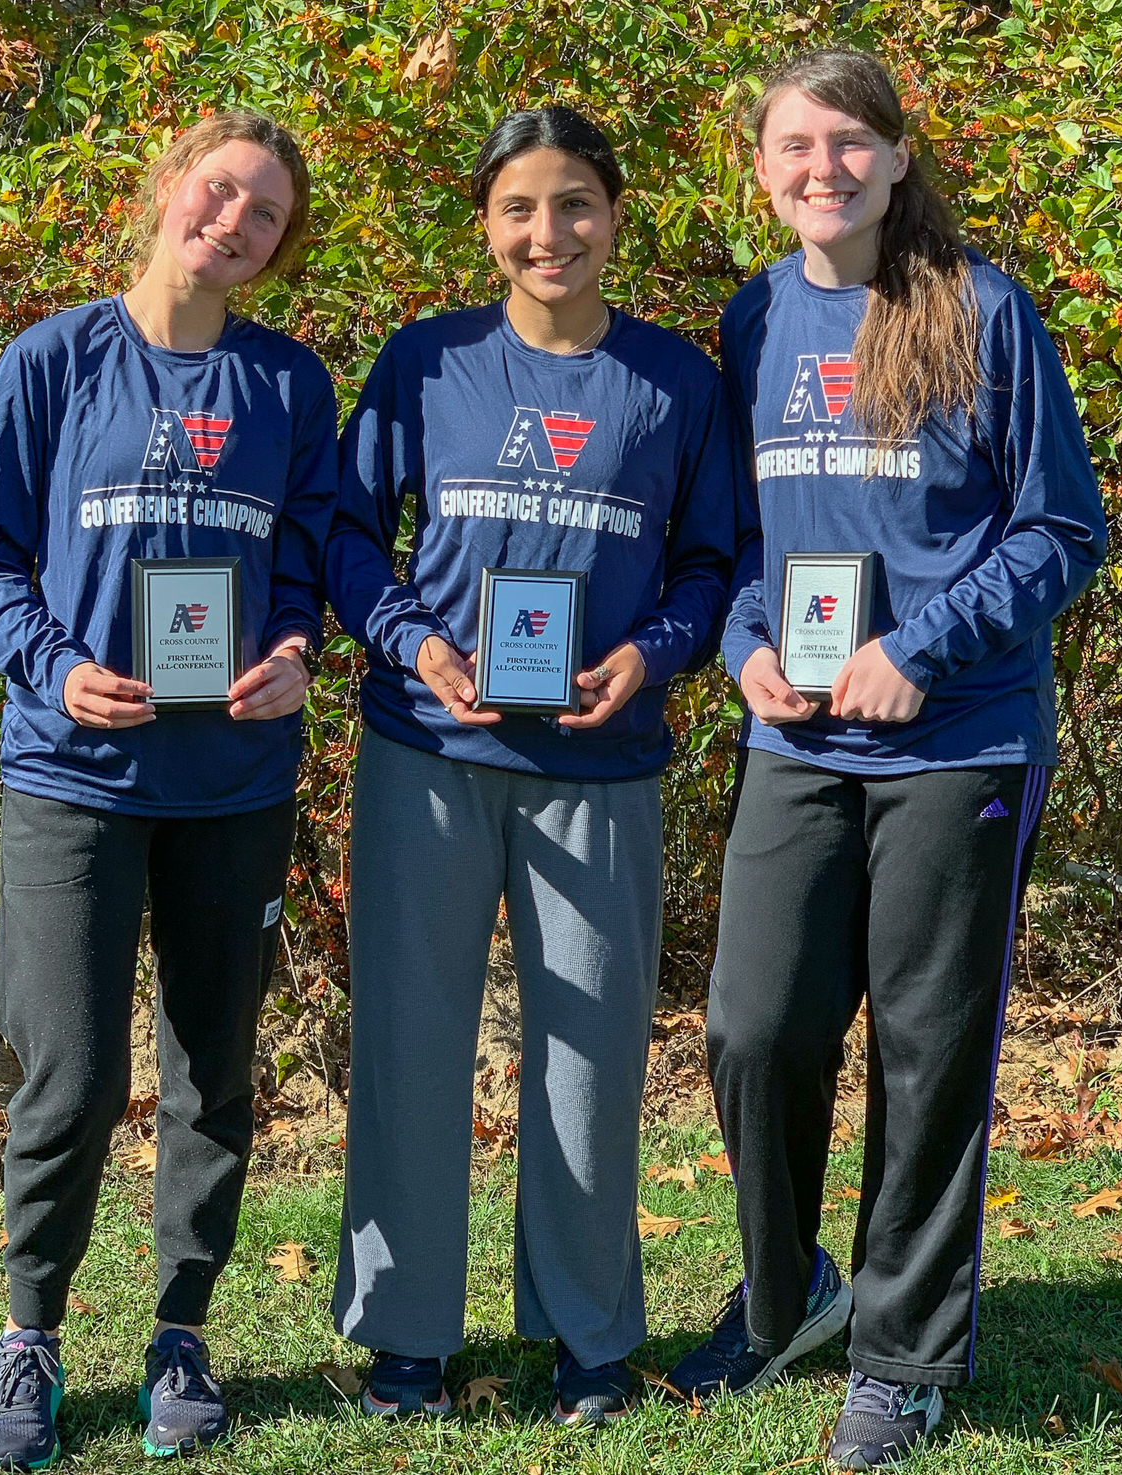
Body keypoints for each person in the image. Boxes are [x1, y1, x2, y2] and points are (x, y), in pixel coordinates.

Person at [664, 49, 1107, 1471]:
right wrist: (742, 647)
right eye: (795, 146)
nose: (824, 168)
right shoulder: (753, 316)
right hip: (795, 735)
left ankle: (903, 1356)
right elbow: (739, 547)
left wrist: (921, 649)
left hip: (959, 735)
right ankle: (789, 1293)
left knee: (926, 1048)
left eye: (851, 143)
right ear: (761, 168)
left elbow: (1060, 529)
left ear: (899, 159)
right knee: (754, 1026)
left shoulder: (981, 310)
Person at [324, 105, 736, 1426]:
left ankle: (590, 1336)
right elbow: (342, 532)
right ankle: (405, 1339)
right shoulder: (428, 364)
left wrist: (655, 654)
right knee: (411, 1044)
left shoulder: (679, 382)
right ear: (487, 225)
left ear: (616, 218)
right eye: (519, 208)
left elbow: (712, 562)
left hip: (600, 762)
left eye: (574, 205)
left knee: (591, 1057)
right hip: (426, 753)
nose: (547, 232)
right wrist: (409, 642)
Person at [0, 111, 337, 1467]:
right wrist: (52, 670)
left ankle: (182, 1330)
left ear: (278, 251)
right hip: (76, 774)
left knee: (208, 1067)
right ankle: (31, 1336)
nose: (232, 222)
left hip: (234, 779)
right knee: (65, 1068)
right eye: (219, 191)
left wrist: (294, 651)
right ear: (168, 188)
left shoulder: (289, 387)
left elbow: (306, 564)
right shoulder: (51, 361)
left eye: (264, 215)